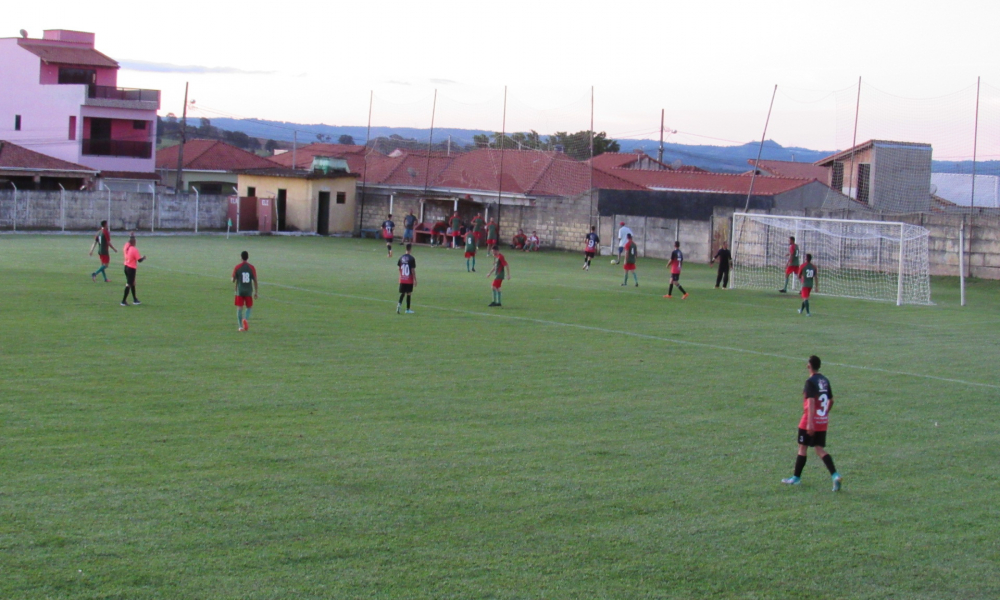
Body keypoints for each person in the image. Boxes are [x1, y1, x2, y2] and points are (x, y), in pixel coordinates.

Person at [782, 355, 842, 491]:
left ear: (809, 366)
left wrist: (810, 423)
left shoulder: (810, 381)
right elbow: (831, 400)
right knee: (819, 449)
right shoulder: (825, 380)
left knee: (802, 447)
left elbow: (811, 402)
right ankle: (835, 475)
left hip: (810, 421)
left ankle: (796, 478)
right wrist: (824, 414)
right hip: (822, 420)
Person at [232, 250, 258, 331]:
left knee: (239, 308)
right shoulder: (251, 267)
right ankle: (245, 319)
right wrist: (256, 292)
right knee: (249, 307)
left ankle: (240, 326)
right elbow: (255, 280)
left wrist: (234, 278)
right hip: (248, 291)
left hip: (240, 291)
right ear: (248, 257)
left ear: (241, 257)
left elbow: (233, 279)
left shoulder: (237, 267)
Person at [120, 233, 145, 306]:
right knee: (129, 284)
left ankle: (135, 299)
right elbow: (139, 260)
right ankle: (123, 301)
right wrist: (143, 257)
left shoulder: (126, 246)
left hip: (126, 267)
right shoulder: (134, 250)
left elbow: (128, 242)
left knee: (132, 283)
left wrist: (131, 235)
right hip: (131, 268)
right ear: (134, 242)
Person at [396, 243, 416, 314]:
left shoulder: (401, 258)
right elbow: (412, 270)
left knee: (402, 293)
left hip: (402, 278)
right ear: (410, 249)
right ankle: (407, 309)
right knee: (409, 293)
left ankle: (399, 305)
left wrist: (400, 276)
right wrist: (415, 280)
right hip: (409, 279)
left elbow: (399, 268)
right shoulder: (412, 258)